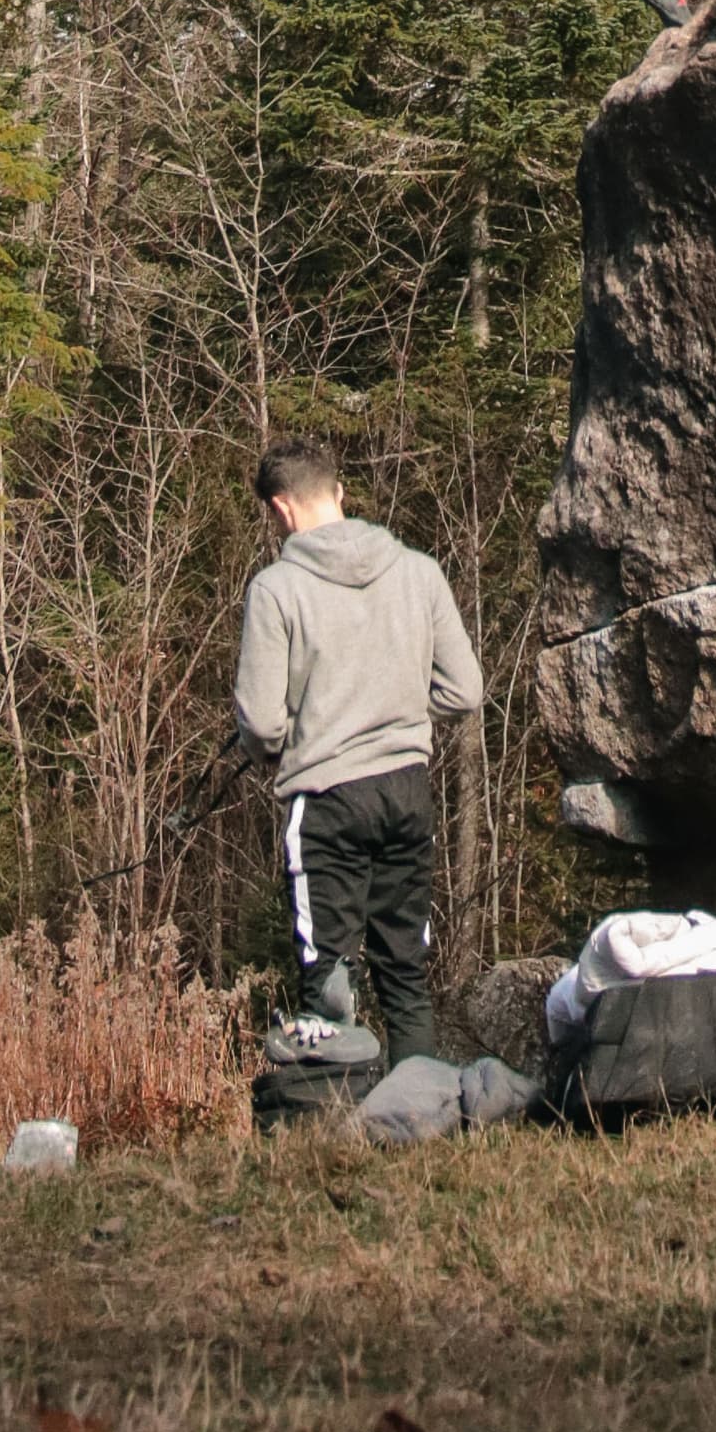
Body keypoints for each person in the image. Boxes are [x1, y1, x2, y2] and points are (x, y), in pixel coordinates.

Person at [231, 437, 483, 1068]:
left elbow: (261, 723)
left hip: (326, 801)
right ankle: (422, 1120)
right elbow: (465, 689)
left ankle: (333, 1133)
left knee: (329, 979)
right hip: (407, 789)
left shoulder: (276, 589)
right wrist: (392, 716)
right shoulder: (419, 571)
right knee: (405, 969)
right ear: (340, 493)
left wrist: (305, 732)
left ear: (281, 510)